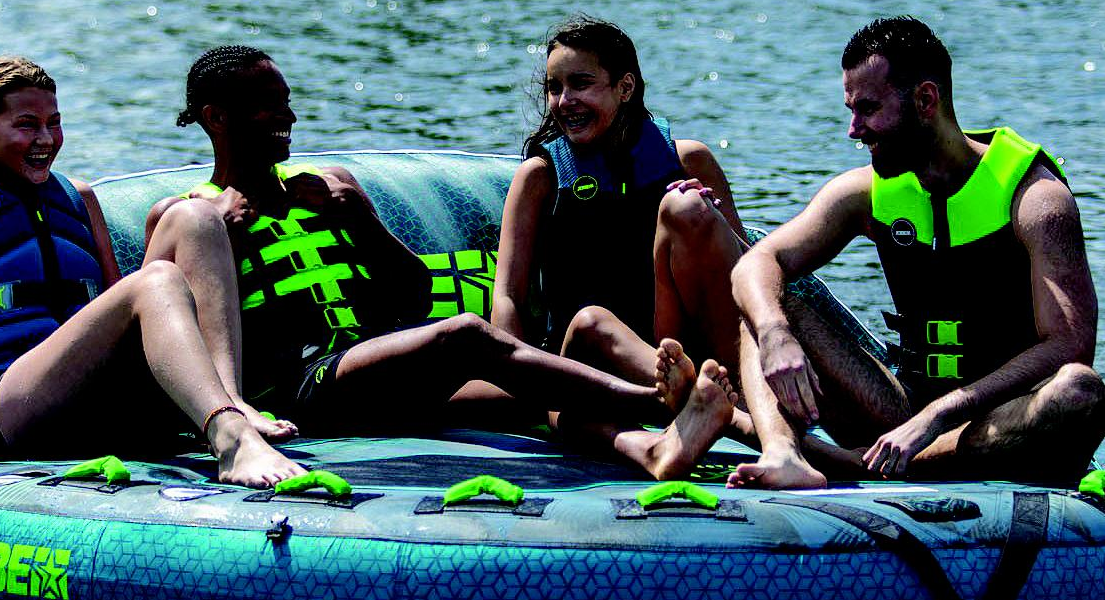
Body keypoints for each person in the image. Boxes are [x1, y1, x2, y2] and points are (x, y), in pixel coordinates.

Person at [144, 46, 739, 479]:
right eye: (267, 107)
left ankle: (655, 447)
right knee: (465, 336)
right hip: (294, 393)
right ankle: (658, 401)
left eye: (287, 103)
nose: (289, 118)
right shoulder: (188, 215)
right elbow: (160, 332)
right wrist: (225, 234)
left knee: (541, 396)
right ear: (215, 118)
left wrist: (363, 221)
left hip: (370, 374)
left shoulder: (328, 189)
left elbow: (413, 298)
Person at [0, 56, 304, 492]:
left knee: (195, 217)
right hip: (13, 404)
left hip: (99, 391)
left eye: (54, 123)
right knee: (156, 279)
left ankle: (230, 401)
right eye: (26, 125)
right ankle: (231, 439)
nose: (46, 139)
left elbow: (113, 304)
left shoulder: (78, 198)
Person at [728, 15, 1105, 490]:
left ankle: (848, 461)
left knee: (1079, 392)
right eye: (851, 110)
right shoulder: (865, 192)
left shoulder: (1035, 199)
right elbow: (755, 263)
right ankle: (784, 453)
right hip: (898, 411)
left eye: (868, 109)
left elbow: (1070, 345)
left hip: (998, 417)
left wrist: (938, 415)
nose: (854, 130)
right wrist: (775, 333)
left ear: (926, 100)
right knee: (767, 301)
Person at [493, 15, 753, 424]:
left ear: (625, 88)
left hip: (679, 356)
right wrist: (524, 385)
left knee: (690, 210)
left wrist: (709, 222)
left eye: (581, 84)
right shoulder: (540, 178)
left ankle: (735, 393)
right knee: (595, 326)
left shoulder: (689, 162)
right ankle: (721, 413)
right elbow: (508, 296)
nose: (564, 101)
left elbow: (745, 277)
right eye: (554, 88)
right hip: (588, 356)